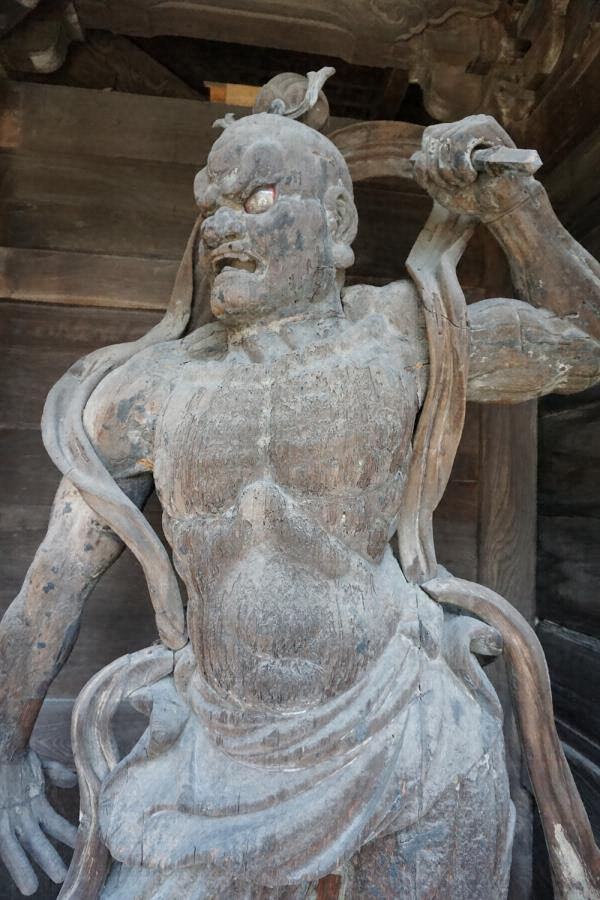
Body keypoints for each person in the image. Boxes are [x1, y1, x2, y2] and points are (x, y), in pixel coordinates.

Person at [1, 92, 599, 898]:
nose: (221, 226)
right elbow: (53, 583)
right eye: (210, 206)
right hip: (215, 750)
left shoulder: (404, 335)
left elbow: (584, 345)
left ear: (337, 222)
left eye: (257, 198)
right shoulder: (146, 391)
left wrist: (513, 202)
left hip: (403, 727)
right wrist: (4, 752)